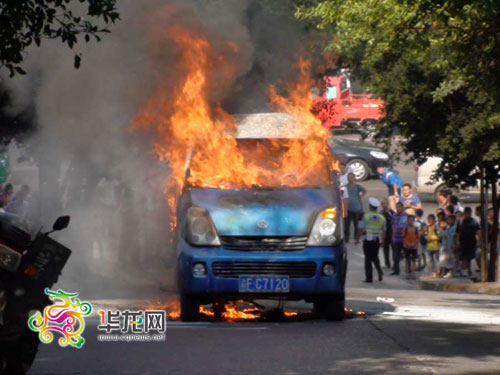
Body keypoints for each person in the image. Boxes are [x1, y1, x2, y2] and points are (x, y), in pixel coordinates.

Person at [358, 197, 385, 283]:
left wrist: (357, 238)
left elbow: (361, 229)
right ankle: (379, 271)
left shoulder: (366, 216)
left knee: (368, 259)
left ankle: (369, 278)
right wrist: (383, 241)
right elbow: (384, 231)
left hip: (368, 240)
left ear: (370, 206)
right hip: (376, 240)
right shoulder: (381, 217)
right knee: (375, 256)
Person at [344, 172, 366, 244]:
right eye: (349, 177)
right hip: (348, 209)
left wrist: (361, 196)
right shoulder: (345, 187)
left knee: (356, 225)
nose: (350, 178)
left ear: (354, 178)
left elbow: (365, 190)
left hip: (356, 209)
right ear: (347, 179)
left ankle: (356, 238)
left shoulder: (357, 186)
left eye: (351, 177)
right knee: (347, 225)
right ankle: (346, 238)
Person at [457, 207, 480, 277]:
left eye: (469, 213)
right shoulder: (460, 221)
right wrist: (457, 242)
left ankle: (469, 270)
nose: (467, 215)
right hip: (463, 242)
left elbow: (478, 232)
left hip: (472, 242)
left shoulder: (474, 221)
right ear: (464, 214)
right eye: (466, 213)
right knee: (464, 257)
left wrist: (479, 241)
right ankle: (465, 271)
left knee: (470, 257)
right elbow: (457, 232)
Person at [390, 202, 407, 275]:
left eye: (400, 207)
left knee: (407, 255)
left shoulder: (406, 216)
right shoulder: (394, 216)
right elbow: (392, 226)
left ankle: (408, 270)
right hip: (396, 238)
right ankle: (396, 270)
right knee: (396, 255)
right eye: (397, 207)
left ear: (403, 207)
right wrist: (393, 237)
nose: (398, 208)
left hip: (405, 238)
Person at [380, 198, 394, 268]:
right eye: (382, 203)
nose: (383, 205)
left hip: (391, 233)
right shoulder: (380, 213)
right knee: (385, 249)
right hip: (384, 234)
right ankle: (387, 263)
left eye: (385, 203)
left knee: (394, 249)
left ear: (387, 204)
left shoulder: (391, 212)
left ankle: (395, 263)